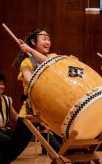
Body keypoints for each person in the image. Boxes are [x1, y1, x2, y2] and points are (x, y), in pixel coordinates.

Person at [12, 29, 63, 158]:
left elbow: (49, 63)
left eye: (48, 39)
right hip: (31, 112)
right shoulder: (27, 63)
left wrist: (30, 50)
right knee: (13, 148)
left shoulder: (52, 57)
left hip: (49, 111)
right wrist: (30, 52)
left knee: (63, 147)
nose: (47, 42)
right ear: (34, 42)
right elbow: (31, 82)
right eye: (44, 39)